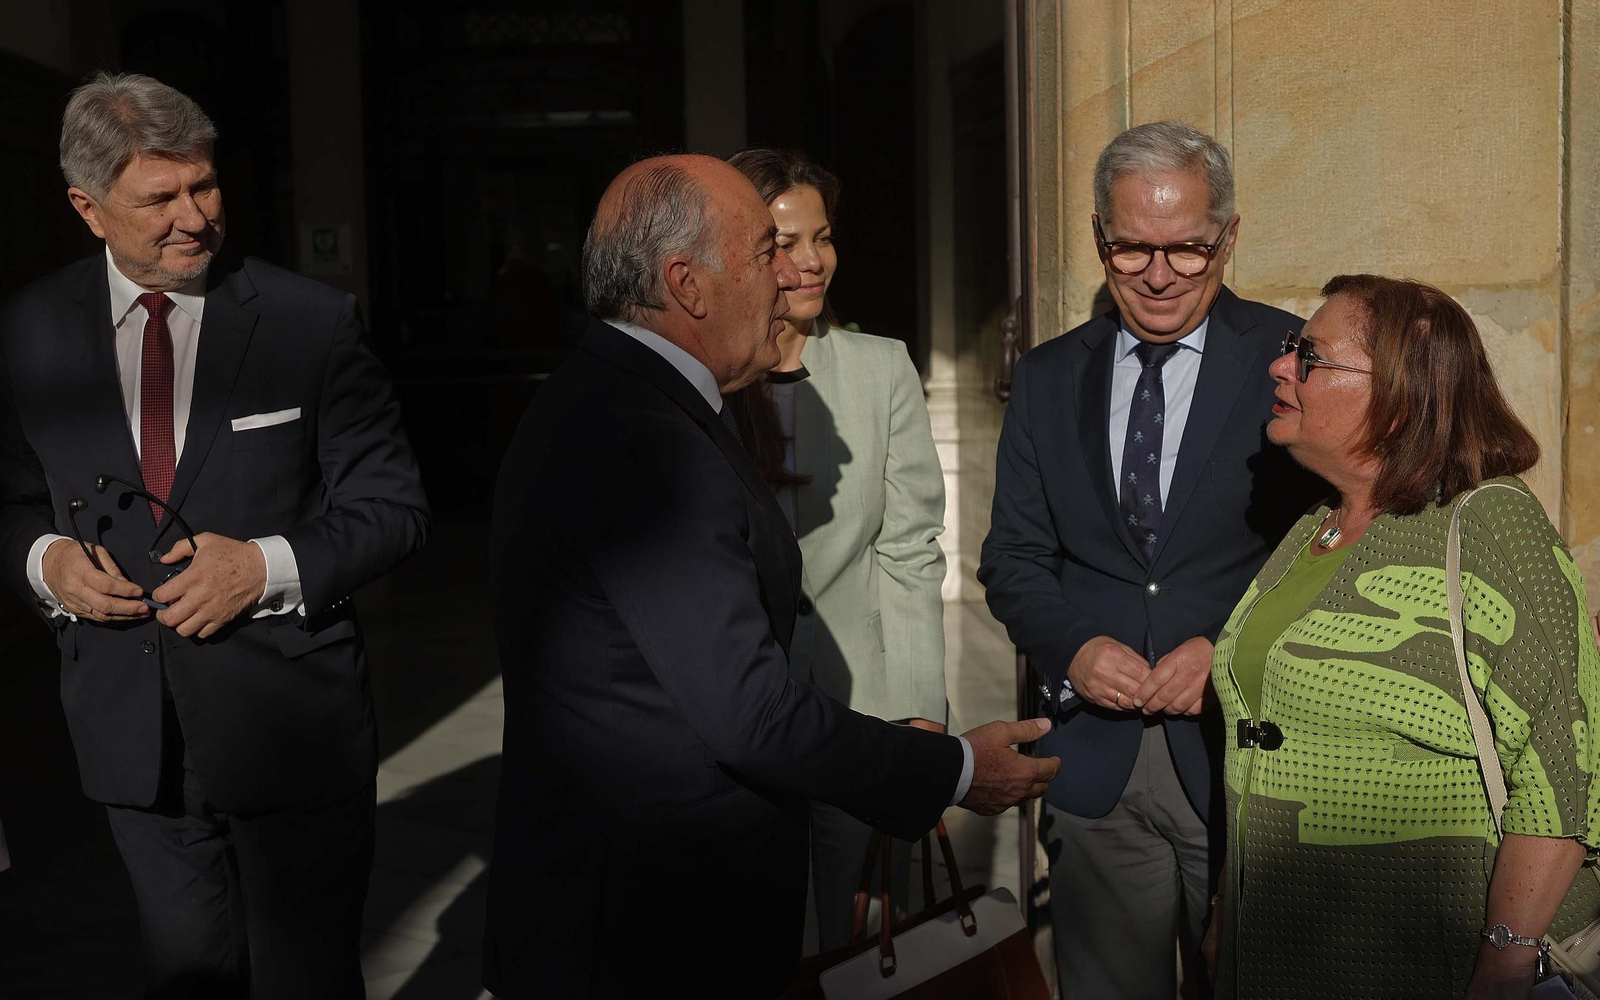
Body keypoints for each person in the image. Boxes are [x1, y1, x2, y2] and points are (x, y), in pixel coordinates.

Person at [483, 153, 1059, 997]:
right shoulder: (644, 441)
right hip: (647, 928)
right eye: (764, 253)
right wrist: (958, 772)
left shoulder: (622, 394)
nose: (790, 274)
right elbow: (748, 712)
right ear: (690, 284)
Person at [0, 73, 429, 996]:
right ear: (88, 208)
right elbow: (9, 504)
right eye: (160, 198)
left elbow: (395, 509)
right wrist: (47, 564)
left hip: (291, 733)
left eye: (206, 185)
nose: (195, 216)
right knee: (188, 980)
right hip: (130, 737)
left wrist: (264, 567)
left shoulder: (310, 324)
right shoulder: (26, 333)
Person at [978, 121, 1325, 999]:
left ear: (1230, 237)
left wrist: (1226, 649)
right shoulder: (1048, 377)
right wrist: (1073, 649)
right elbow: (1014, 558)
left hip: (1249, 758)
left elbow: (1331, 549)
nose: (1161, 273)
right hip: (1095, 772)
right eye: (1133, 248)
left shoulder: (1296, 361)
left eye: (1188, 248)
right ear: (1100, 235)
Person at [1203, 274, 1600, 1000]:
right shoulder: (1310, 529)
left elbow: (1563, 768)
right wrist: (1231, 911)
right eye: (1291, 347)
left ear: (1399, 397)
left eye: (1310, 356)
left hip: (1432, 966)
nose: (1280, 365)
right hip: (1282, 957)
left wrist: (1506, 961)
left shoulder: (1488, 524)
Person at [722, 147, 949, 952]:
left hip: (867, 708)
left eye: (822, 237)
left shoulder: (880, 368)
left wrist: (923, 710)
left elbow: (911, 551)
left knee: (863, 946)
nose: (813, 260)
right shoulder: (702, 388)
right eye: (785, 242)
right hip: (737, 723)